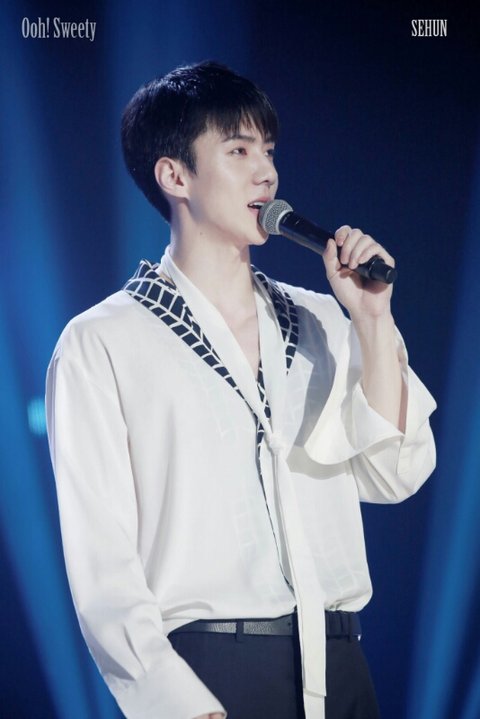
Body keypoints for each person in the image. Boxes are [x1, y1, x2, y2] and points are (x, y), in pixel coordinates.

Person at [46, 61, 436, 719]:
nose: (267, 174)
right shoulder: (102, 342)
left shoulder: (324, 319)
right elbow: (102, 563)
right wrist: (178, 703)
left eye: (269, 151)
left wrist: (373, 322)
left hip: (342, 665)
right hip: (212, 672)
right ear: (175, 176)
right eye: (238, 151)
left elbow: (395, 474)